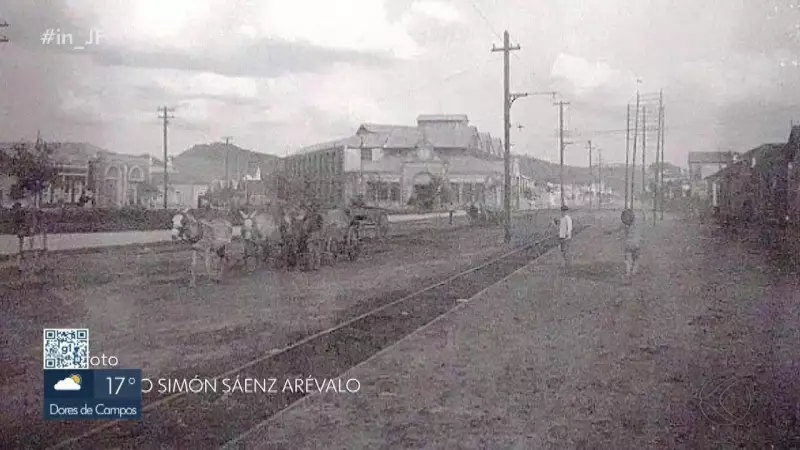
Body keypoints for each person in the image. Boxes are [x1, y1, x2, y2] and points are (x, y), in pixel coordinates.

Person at [608, 209, 642, 280]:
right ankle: (633, 272)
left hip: (628, 245)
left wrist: (609, 232)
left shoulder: (624, 225)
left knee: (628, 260)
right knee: (636, 260)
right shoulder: (637, 224)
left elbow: (616, 229)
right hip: (636, 244)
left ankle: (628, 273)